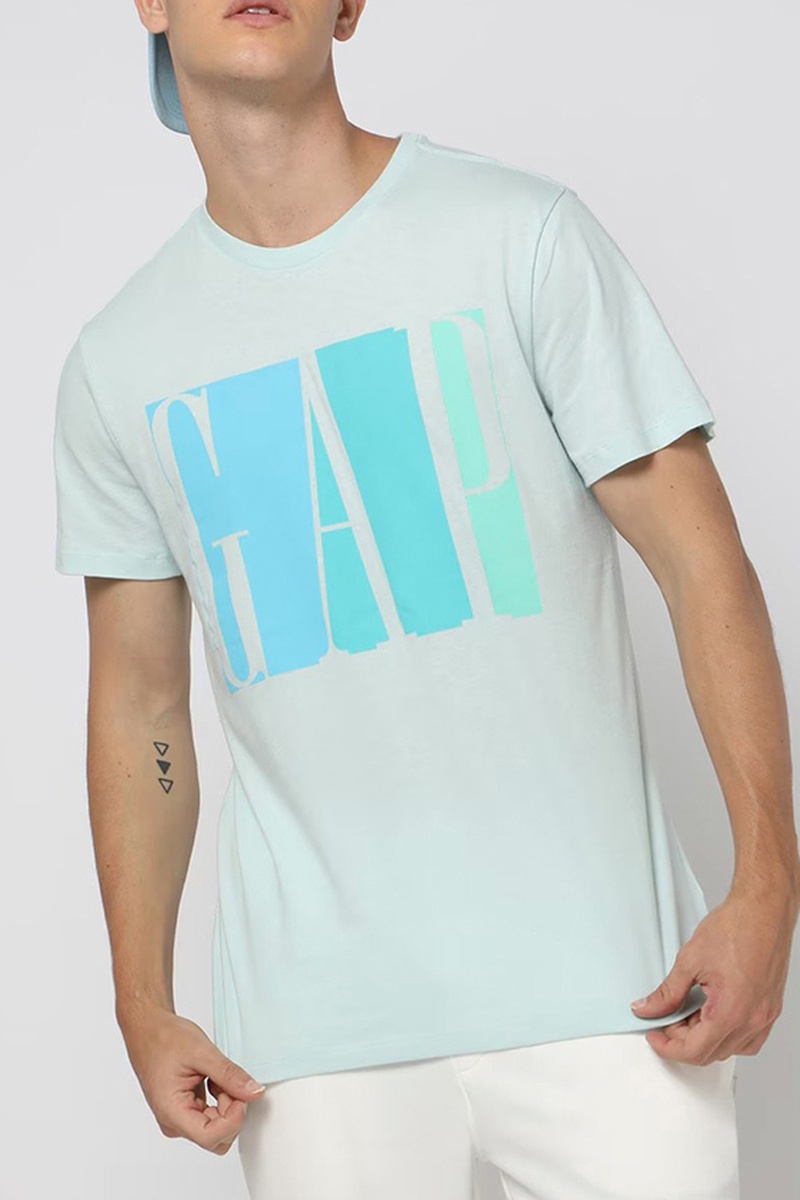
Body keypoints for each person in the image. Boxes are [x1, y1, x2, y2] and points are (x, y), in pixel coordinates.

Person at [51, 2, 799, 1197]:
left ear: (350, 5)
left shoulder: (518, 236)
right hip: (313, 1047)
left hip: (611, 997)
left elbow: (701, 563)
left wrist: (766, 882)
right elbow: (140, 707)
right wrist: (140, 999)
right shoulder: (118, 363)